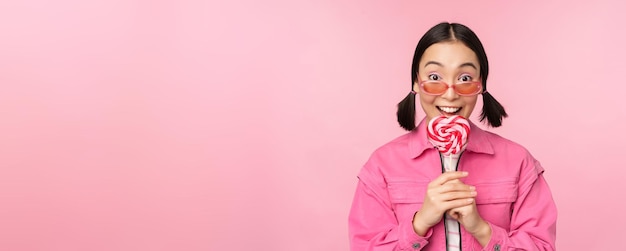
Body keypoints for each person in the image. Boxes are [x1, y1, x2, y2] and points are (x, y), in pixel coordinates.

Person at [348, 22, 557, 251]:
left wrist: (482, 230)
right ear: (416, 82)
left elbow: (541, 246)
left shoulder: (518, 162)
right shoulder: (382, 165)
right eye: (435, 77)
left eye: (465, 78)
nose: (450, 94)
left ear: (481, 85)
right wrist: (419, 223)